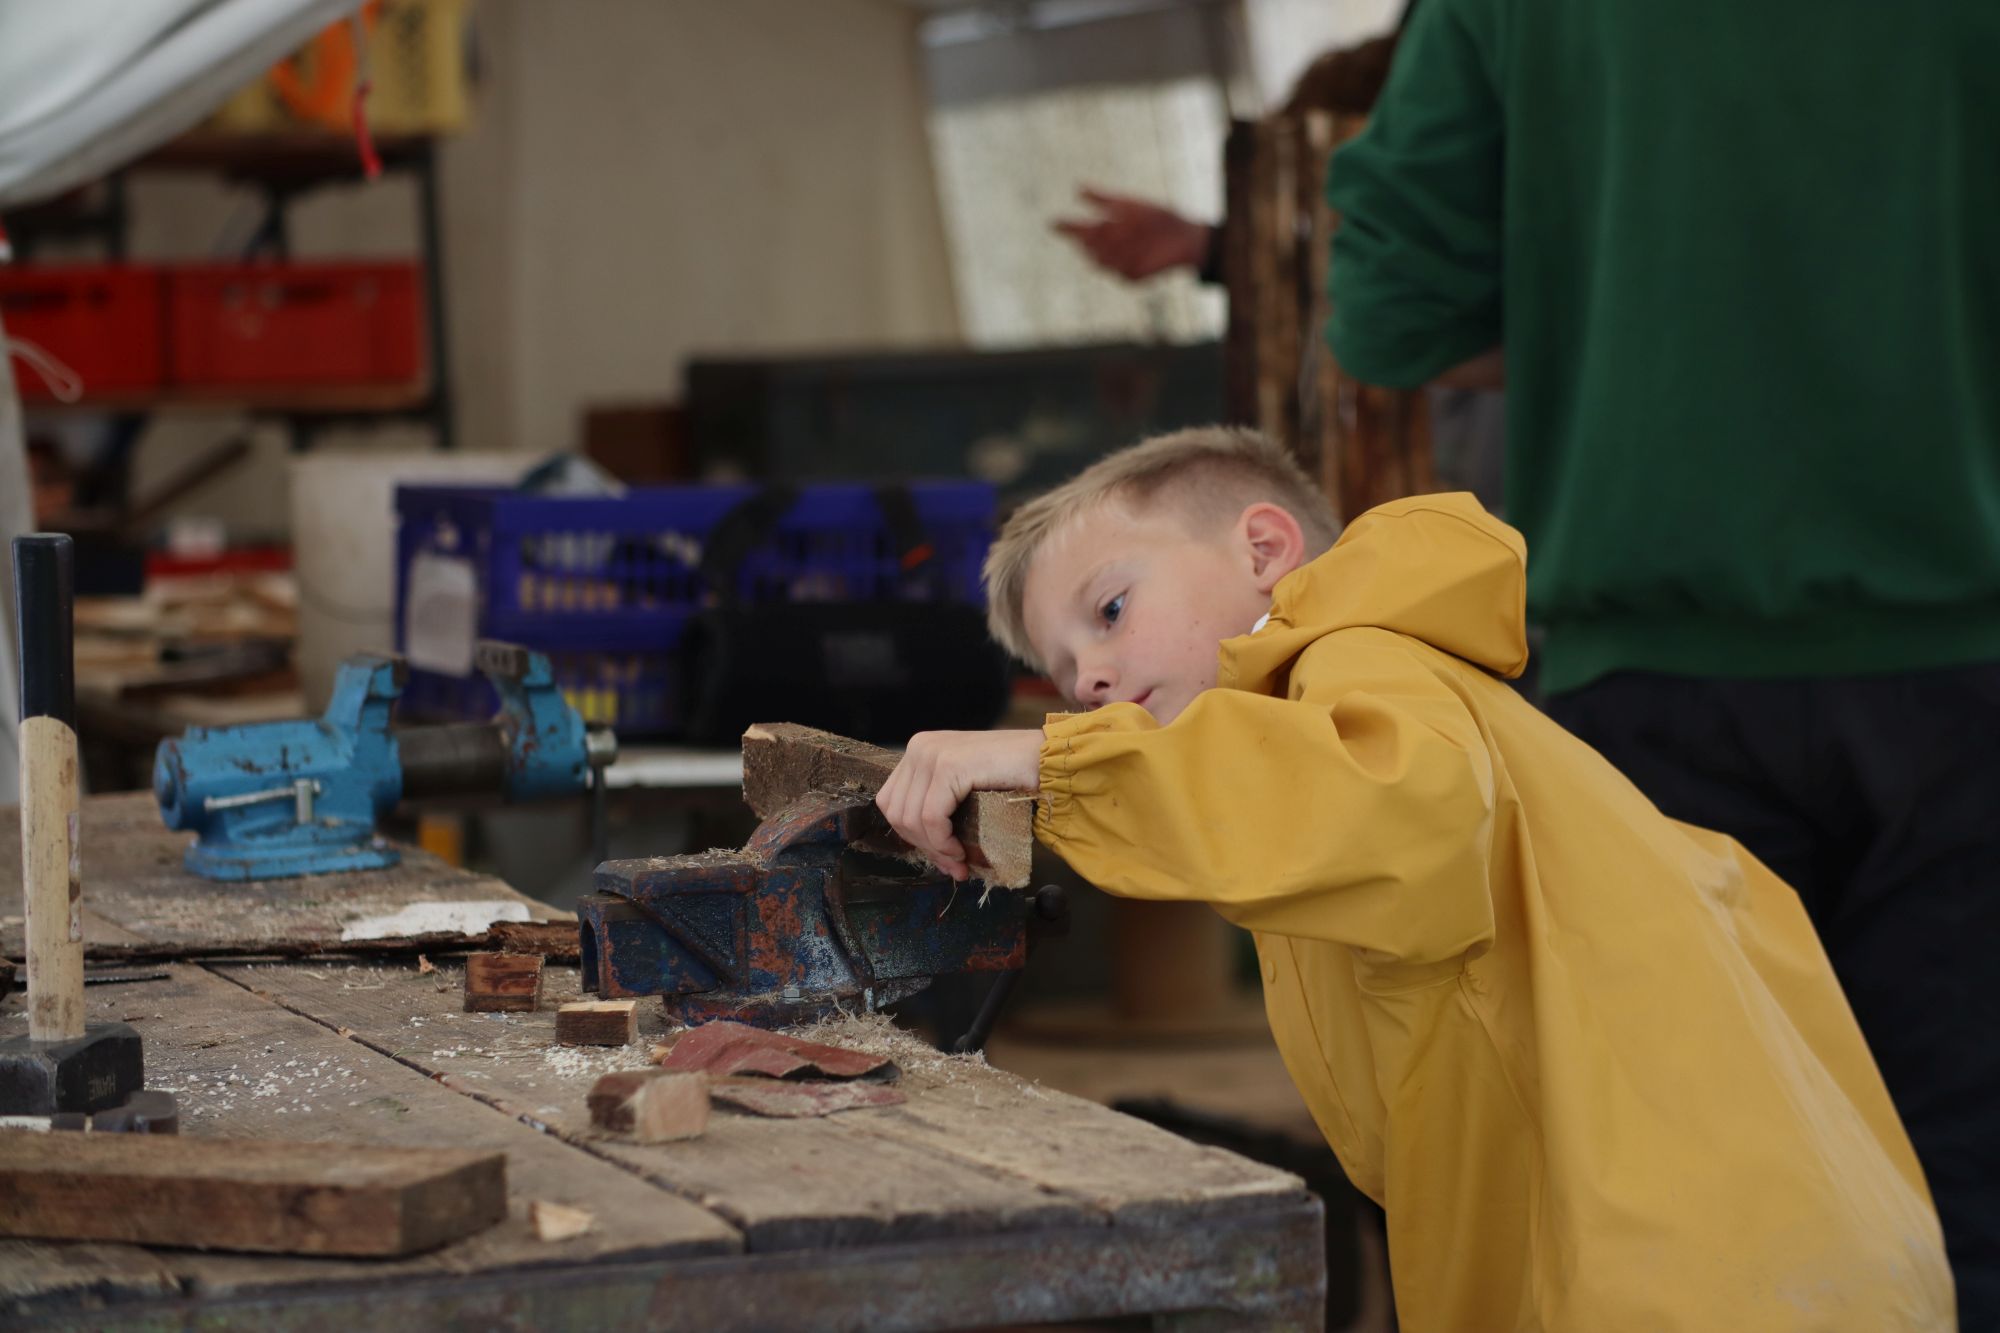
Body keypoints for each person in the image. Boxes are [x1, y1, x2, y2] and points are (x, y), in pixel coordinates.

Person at [875, 426, 1953, 1332]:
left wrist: (1051, 760)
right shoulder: (1302, 754)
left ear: (1263, 549)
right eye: (1064, 676)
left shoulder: (1365, 664)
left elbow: (1394, 808)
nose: (1091, 679)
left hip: (1684, 1279)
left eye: (1108, 612)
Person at [1321, 1, 2000, 1322]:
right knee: (1970, 1207)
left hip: (1645, 694)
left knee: (1676, 1231)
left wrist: (1620, 319)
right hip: (1967, 671)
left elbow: (1394, 314)